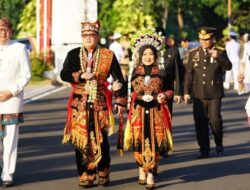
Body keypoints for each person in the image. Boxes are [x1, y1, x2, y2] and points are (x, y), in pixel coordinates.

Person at [60, 20, 127, 188]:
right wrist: (80, 75)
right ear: (82, 37)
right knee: (80, 140)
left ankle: (103, 171)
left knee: (100, 138)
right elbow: (64, 74)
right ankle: (85, 174)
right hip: (79, 104)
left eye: (92, 35)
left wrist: (119, 93)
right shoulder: (73, 54)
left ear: (98, 37)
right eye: (85, 35)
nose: (88, 38)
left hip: (99, 102)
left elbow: (119, 78)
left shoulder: (108, 55)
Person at [124, 32, 173, 189]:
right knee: (138, 142)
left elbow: (170, 90)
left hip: (156, 112)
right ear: (139, 55)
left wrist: (164, 96)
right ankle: (141, 171)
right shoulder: (134, 72)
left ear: (156, 55)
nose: (148, 57)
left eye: (151, 54)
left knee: (154, 144)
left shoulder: (162, 72)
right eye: (145, 54)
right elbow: (129, 91)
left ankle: (151, 174)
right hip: (138, 112)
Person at [184, 27, 232, 159]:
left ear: (212, 39)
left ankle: (218, 142)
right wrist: (186, 91)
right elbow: (189, 73)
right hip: (198, 93)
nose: (203, 42)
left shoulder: (220, 51)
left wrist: (219, 58)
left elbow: (228, 66)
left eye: (206, 40)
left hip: (214, 93)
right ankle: (204, 148)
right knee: (200, 122)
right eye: (201, 40)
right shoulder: (193, 53)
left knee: (215, 120)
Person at [0, 17, 31, 187]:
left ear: (10, 31)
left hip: (12, 100)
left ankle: (7, 174)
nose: (2, 33)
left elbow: (26, 75)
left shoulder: (19, 48)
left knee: (10, 139)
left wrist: (11, 92)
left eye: (5, 29)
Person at [155, 27, 184, 114]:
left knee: (165, 119)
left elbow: (178, 72)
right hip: (150, 93)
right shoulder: (147, 53)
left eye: (160, 38)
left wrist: (178, 92)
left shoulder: (173, 51)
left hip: (166, 91)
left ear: (164, 38)